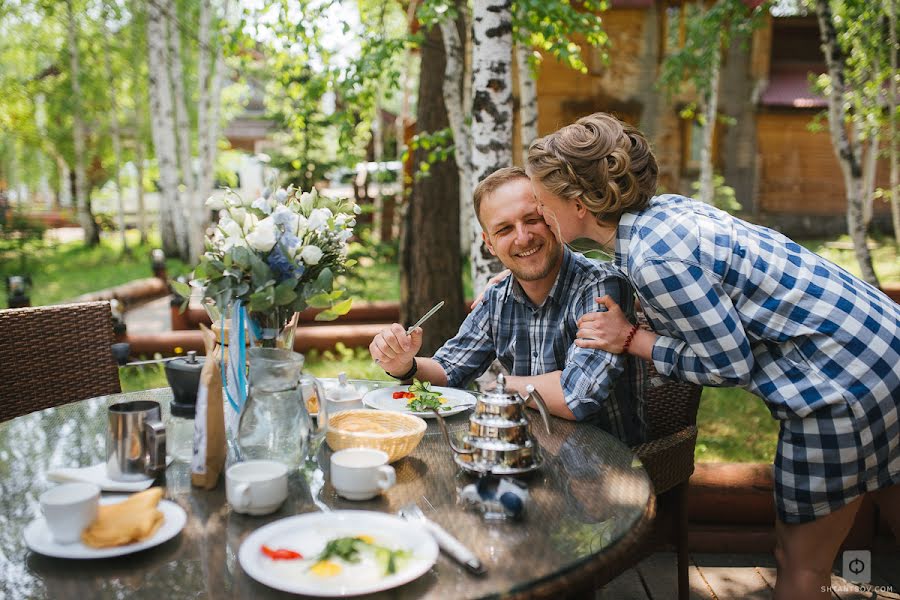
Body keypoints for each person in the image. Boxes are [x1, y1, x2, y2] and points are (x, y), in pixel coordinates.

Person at [523, 111, 900, 599]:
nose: (537, 206)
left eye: (540, 198)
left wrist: (631, 339)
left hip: (841, 382)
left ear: (576, 203)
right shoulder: (662, 216)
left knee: (800, 563)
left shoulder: (655, 259)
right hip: (883, 345)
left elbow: (729, 364)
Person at [369, 167, 644, 445]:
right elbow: (449, 371)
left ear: (552, 217)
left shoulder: (599, 287)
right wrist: (405, 365)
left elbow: (576, 397)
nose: (523, 237)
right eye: (504, 229)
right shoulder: (497, 297)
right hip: (524, 451)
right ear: (489, 243)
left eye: (532, 220)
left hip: (604, 462)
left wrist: (504, 385)